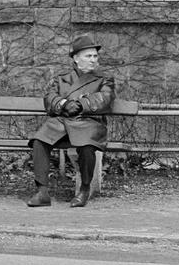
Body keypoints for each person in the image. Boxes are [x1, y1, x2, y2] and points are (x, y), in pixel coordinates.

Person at [26, 34, 115, 208]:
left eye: (95, 56)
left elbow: (106, 98)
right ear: (76, 58)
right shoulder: (62, 78)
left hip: (88, 122)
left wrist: (82, 104)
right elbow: (49, 97)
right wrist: (64, 103)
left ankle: (84, 189)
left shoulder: (104, 78)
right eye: (88, 56)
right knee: (38, 141)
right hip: (62, 122)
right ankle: (42, 192)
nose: (93, 60)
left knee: (87, 146)